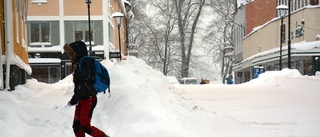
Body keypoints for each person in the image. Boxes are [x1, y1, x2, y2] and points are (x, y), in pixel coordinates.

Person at [64, 41, 109, 137]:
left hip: (89, 98)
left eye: (71, 53)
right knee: (77, 126)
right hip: (82, 98)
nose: (70, 56)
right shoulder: (80, 62)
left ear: (77, 52)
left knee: (85, 126)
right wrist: (76, 98)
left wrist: (75, 99)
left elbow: (84, 82)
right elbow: (80, 84)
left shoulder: (86, 62)